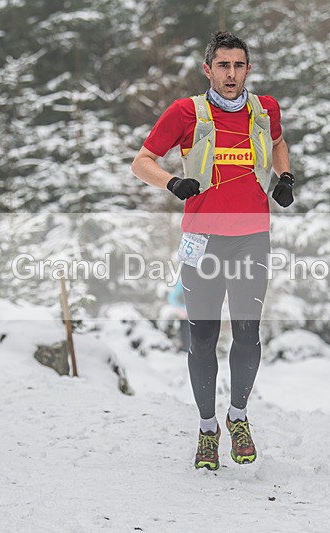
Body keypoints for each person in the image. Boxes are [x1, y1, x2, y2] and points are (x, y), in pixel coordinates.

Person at [131, 30, 295, 471]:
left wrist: (284, 178)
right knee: (202, 339)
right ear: (208, 69)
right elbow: (142, 160)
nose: (231, 74)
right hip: (202, 240)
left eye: (239, 65)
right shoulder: (186, 112)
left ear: (248, 69)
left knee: (247, 333)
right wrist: (172, 182)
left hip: (251, 237)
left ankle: (238, 418)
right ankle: (208, 429)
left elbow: (277, 143)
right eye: (223, 65)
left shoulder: (265, 110)